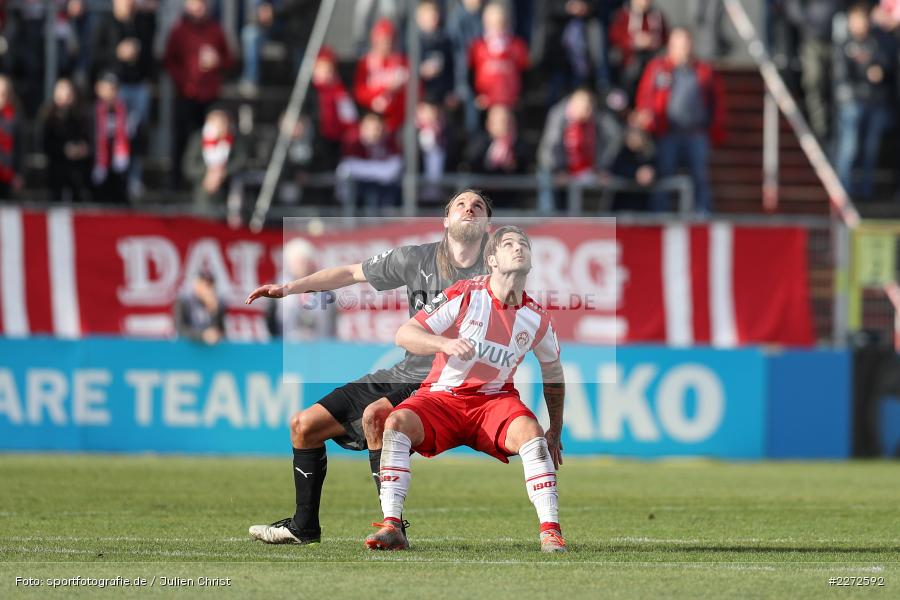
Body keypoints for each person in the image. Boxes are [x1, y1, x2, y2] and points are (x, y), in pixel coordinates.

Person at [245, 189, 493, 546]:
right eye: (460, 204)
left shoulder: (498, 270)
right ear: (445, 220)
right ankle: (304, 527)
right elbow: (349, 273)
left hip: (444, 381)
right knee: (304, 426)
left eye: (477, 206)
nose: (469, 209)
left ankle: (392, 527)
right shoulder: (415, 258)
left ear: (487, 224)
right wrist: (288, 289)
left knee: (375, 417)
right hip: (406, 371)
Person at [365, 225, 566, 553]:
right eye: (509, 244)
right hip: (442, 397)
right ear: (492, 260)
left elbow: (554, 374)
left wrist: (555, 428)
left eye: (524, 245)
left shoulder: (537, 319)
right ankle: (393, 525)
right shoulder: (464, 294)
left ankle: (551, 532)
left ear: (530, 262)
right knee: (395, 423)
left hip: (493, 402)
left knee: (531, 432)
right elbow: (405, 334)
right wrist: (443, 342)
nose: (519, 249)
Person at [635, 28, 725, 213]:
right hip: (667, 133)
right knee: (664, 175)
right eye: (679, 44)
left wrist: (715, 129)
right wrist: (647, 121)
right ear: (670, 46)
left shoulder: (704, 71)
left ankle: (702, 216)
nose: (683, 48)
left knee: (699, 177)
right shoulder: (658, 68)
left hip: (696, 133)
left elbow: (717, 102)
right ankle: (659, 215)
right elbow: (645, 97)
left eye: (686, 43)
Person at [164, 0, 234, 188]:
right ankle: (177, 183)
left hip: (210, 95)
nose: (198, 8)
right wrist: (184, 81)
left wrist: (217, 62)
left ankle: (208, 182)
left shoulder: (215, 30)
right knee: (182, 139)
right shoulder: (179, 31)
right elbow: (169, 61)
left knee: (213, 139)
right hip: (186, 95)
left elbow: (229, 60)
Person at [91, 0, 156, 198]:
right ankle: (106, 177)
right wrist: (117, 53)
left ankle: (134, 177)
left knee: (134, 133)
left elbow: (150, 56)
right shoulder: (104, 23)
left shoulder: (143, 24)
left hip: (138, 86)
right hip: (115, 89)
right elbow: (94, 56)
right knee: (112, 133)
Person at [833, 2, 892, 201]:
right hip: (852, 103)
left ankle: (866, 191)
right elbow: (841, 78)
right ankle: (843, 190)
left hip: (874, 102)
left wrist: (877, 72)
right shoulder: (844, 46)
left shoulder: (876, 43)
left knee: (870, 150)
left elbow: (884, 66)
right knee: (849, 149)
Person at [266, 238, 337, 340]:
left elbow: (332, 319)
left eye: (307, 261)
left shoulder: (324, 288)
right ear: (290, 263)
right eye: (300, 261)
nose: (304, 265)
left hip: (319, 345)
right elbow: (271, 319)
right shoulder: (277, 288)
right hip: (287, 345)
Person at [182, 109, 249, 211]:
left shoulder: (235, 140)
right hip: (202, 187)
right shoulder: (198, 139)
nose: (222, 127)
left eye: (224, 124)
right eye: (218, 124)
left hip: (227, 188)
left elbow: (241, 160)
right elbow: (189, 166)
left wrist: (222, 172)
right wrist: (209, 172)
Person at [468, 2, 530, 111]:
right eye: (493, 23)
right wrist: (476, 96)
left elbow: (525, 72)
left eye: (501, 22)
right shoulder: (477, 46)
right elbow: (470, 73)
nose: (497, 27)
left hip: (511, 104)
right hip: (485, 105)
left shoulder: (517, 45)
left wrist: (520, 96)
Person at [38, 78, 91, 202]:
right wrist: (64, 150)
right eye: (62, 91)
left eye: (69, 92)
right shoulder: (48, 116)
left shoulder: (80, 116)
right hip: (57, 169)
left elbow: (86, 139)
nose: (66, 96)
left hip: (77, 172)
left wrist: (82, 148)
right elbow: (45, 144)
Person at [354, 18, 409, 133]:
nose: (385, 44)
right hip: (373, 119)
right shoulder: (366, 63)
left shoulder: (402, 62)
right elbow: (360, 93)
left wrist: (398, 89)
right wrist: (385, 88)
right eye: (381, 40)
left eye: (388, 40)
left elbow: (414, 92)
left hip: (398, 120)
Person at [609, 0, 669, 99]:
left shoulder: (657, 16)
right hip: (630, 61)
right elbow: (615, 38)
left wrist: (653, 41)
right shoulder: (623, 15)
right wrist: (634, 41)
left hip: (653, 59)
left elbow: (665, 38)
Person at [91, 72, 132, 204]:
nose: (109, 92)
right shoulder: (91, 111)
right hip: (98, 163)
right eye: (105, 88)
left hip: (119, 164)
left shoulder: (124, 110)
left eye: (113, 88)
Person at [174, 269, 225, 344]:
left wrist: (213, 311)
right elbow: (180, 330)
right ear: (195, 283)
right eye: (203, 283)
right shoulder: (183, 301)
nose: (206, 288)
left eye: (209, 284)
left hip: (209, 351)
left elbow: (220, 331)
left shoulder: (218, 303)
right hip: (186, 348)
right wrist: (202, 335)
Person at [0, 76, 23, 200]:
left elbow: (19, 148)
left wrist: (18, 174)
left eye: (5, 93)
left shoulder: (14, 117)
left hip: (7, 175)